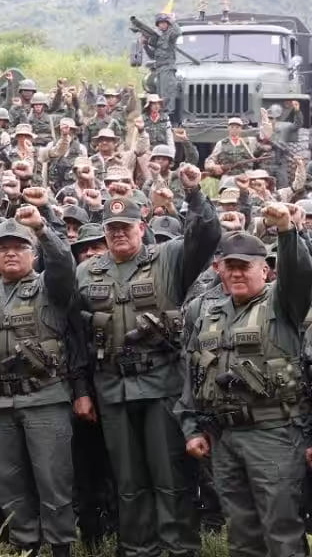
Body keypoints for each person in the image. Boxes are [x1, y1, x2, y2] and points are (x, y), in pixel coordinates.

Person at [75, 164, 216, 557]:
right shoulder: (87, 271)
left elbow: (206, 236)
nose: (119, 232)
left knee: (170, 474)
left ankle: (178, 548)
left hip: (161, 384)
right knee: (128, 478)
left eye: (127, 225)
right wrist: (83, 389)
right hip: (112, 388)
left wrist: (193, 193)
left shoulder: (168, 257)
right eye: (112, 227)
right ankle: (137, 548)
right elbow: (76, 334)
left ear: (142, 226)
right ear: (104, 232)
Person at [179, 221, 312, 557]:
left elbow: (298, 273)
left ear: (265, 270)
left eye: (245, 267)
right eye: (230, 267)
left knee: (280, 529)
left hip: (275, 434)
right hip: (224, 439)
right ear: (219, 270)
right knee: (239, 532)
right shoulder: (207, 315)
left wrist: (286, 232)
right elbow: (193, 375)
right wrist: (191, 427)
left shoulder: (284, 305)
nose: (236, 274)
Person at [0, 201, 90, 556]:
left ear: (32, 254)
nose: (8, 254)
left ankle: (60, 547)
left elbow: (63, 266)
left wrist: (40, 230)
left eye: (17, 247)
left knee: (53, 480)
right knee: (11, 482)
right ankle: (25, 545)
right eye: (1, 248)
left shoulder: (50, 288)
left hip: (45, 398)